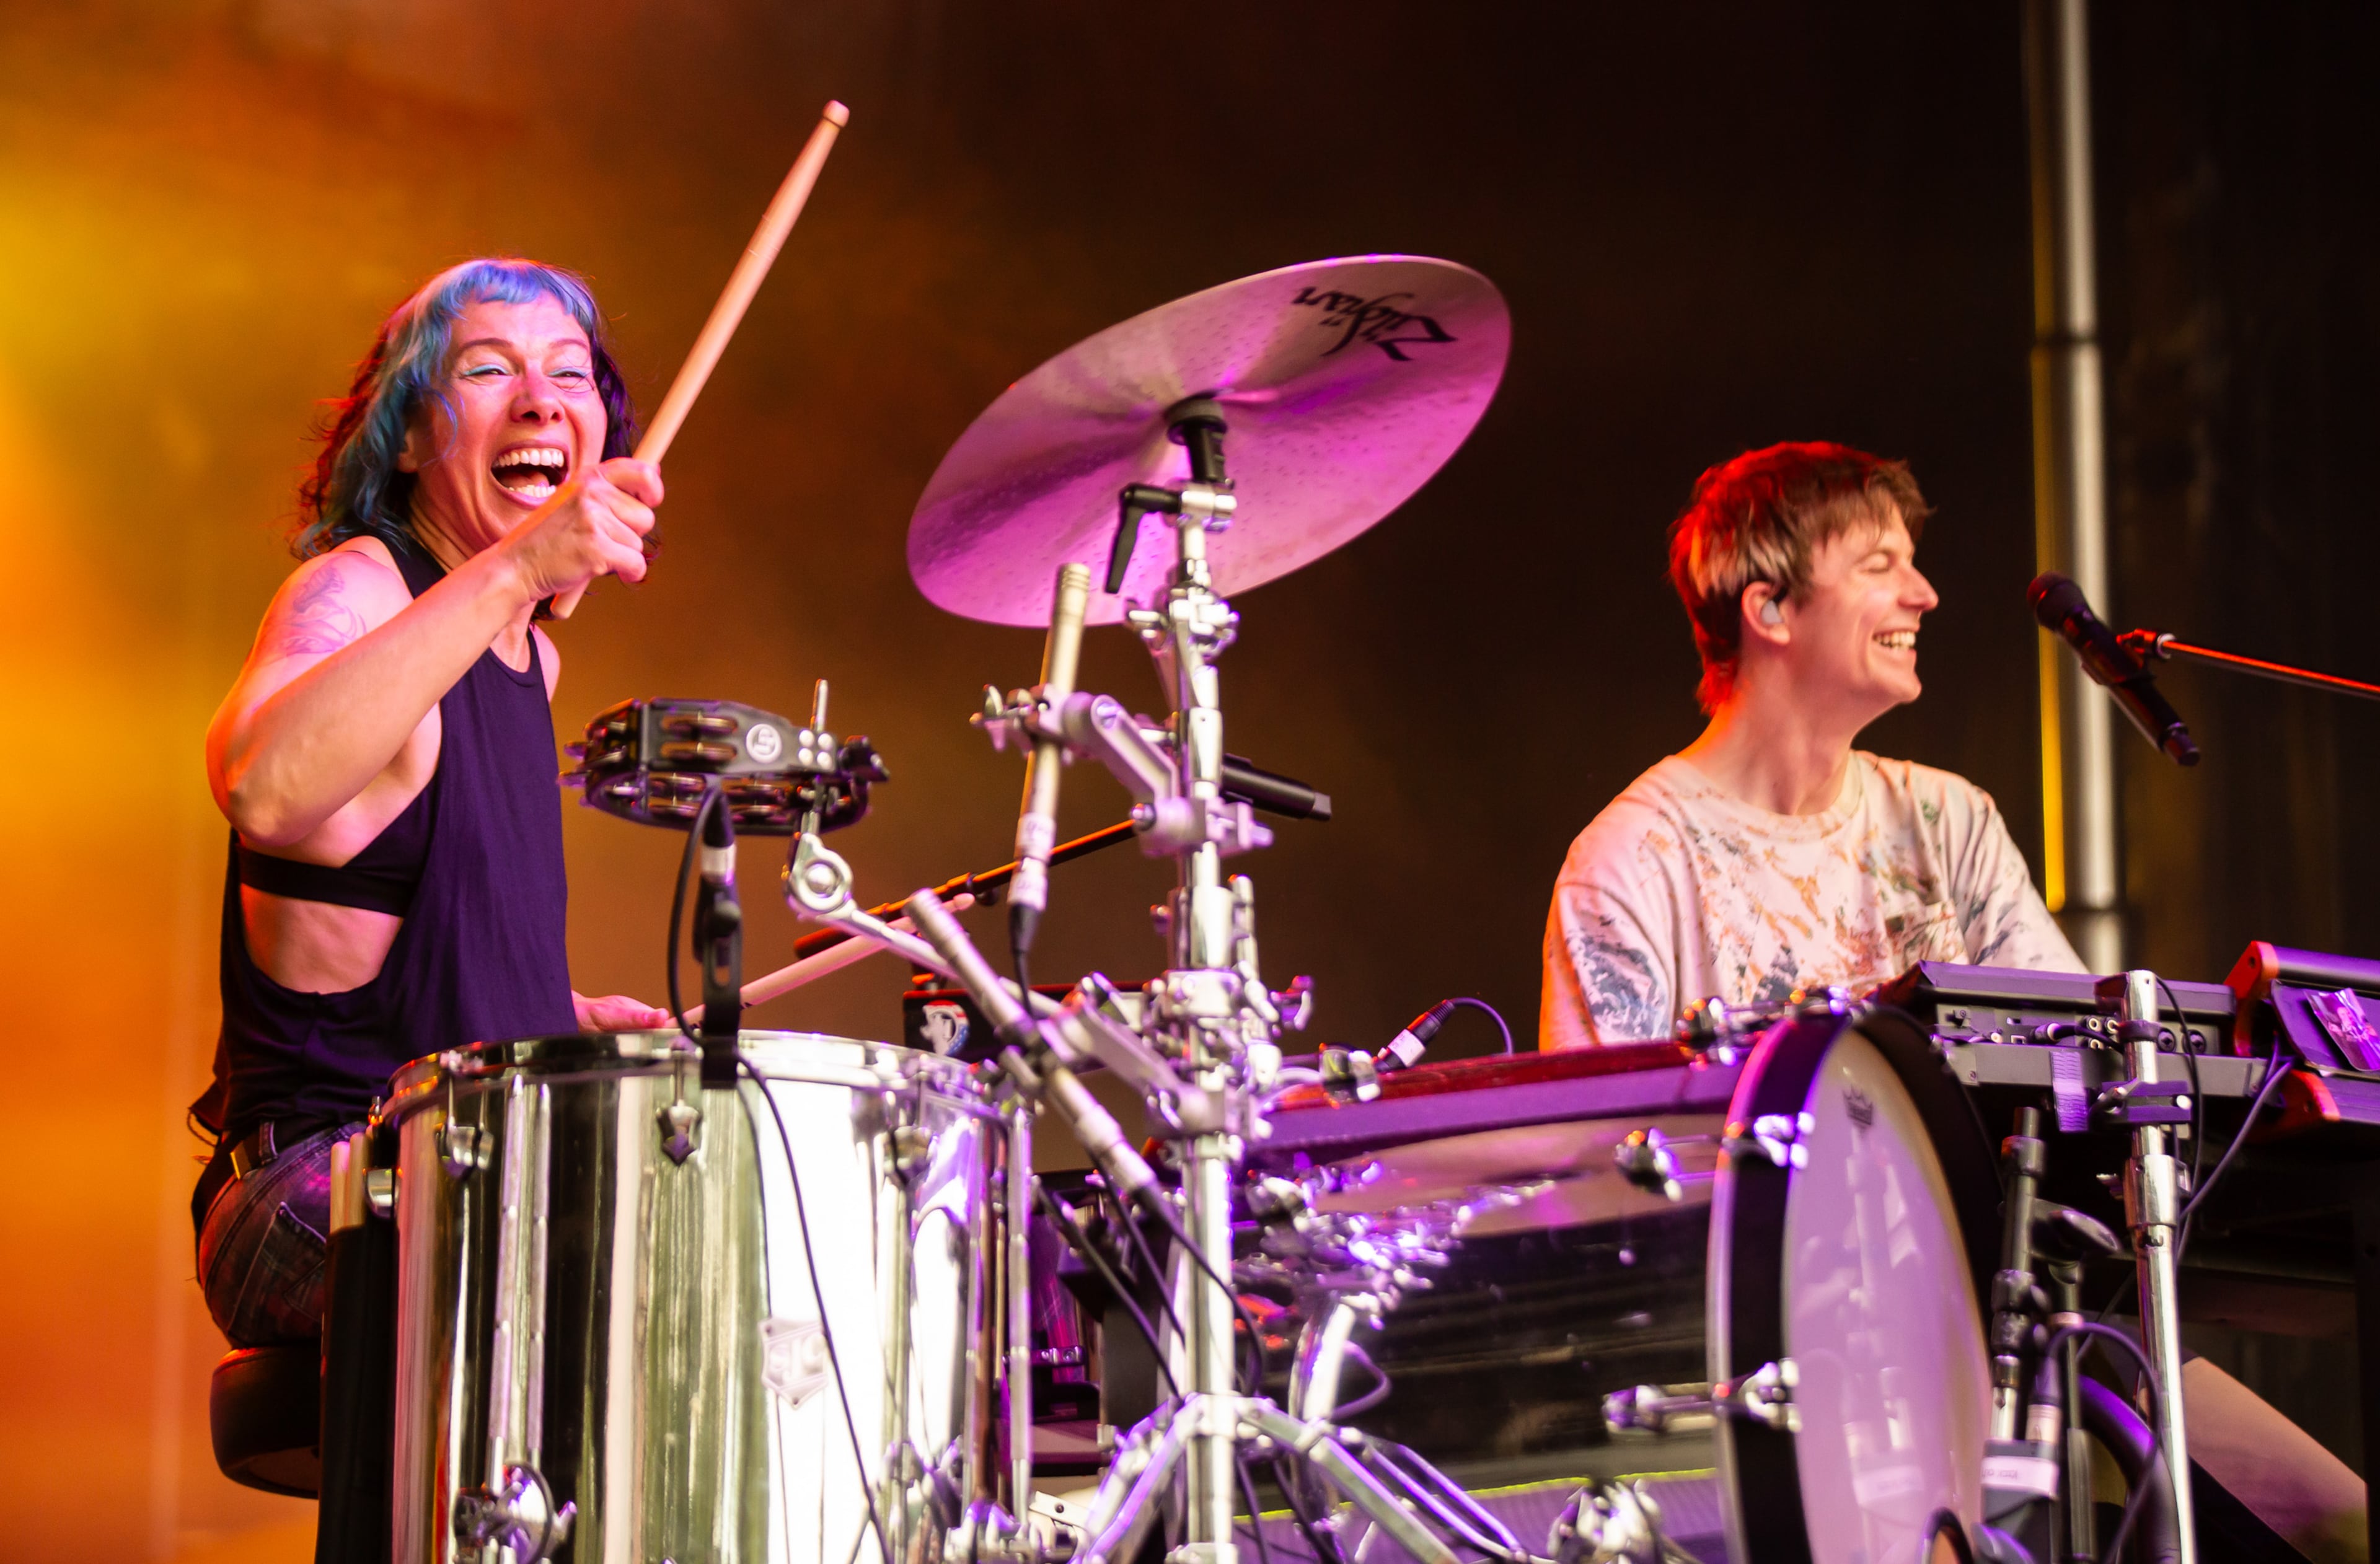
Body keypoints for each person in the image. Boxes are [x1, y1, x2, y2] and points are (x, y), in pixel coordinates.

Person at [191, 258, 674, 1348]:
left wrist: (552, 1011)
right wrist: (517, 568)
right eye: (489, 368)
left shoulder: (528, 662)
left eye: (571, 372)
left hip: (464, 1161)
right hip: (314, 1181)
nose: (542, 398)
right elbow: (261, 786)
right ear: (409, 439)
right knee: (598, 1286)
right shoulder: (361, 586)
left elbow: (393, 934)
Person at [1540, 441, 2081, 1050]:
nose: (1925, 594)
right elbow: (1598, 1139)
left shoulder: (1951, 822)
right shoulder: (1629, 862)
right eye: (1879, 565)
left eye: (1911, 561)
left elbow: (2076, 1061)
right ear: (1770, 608)